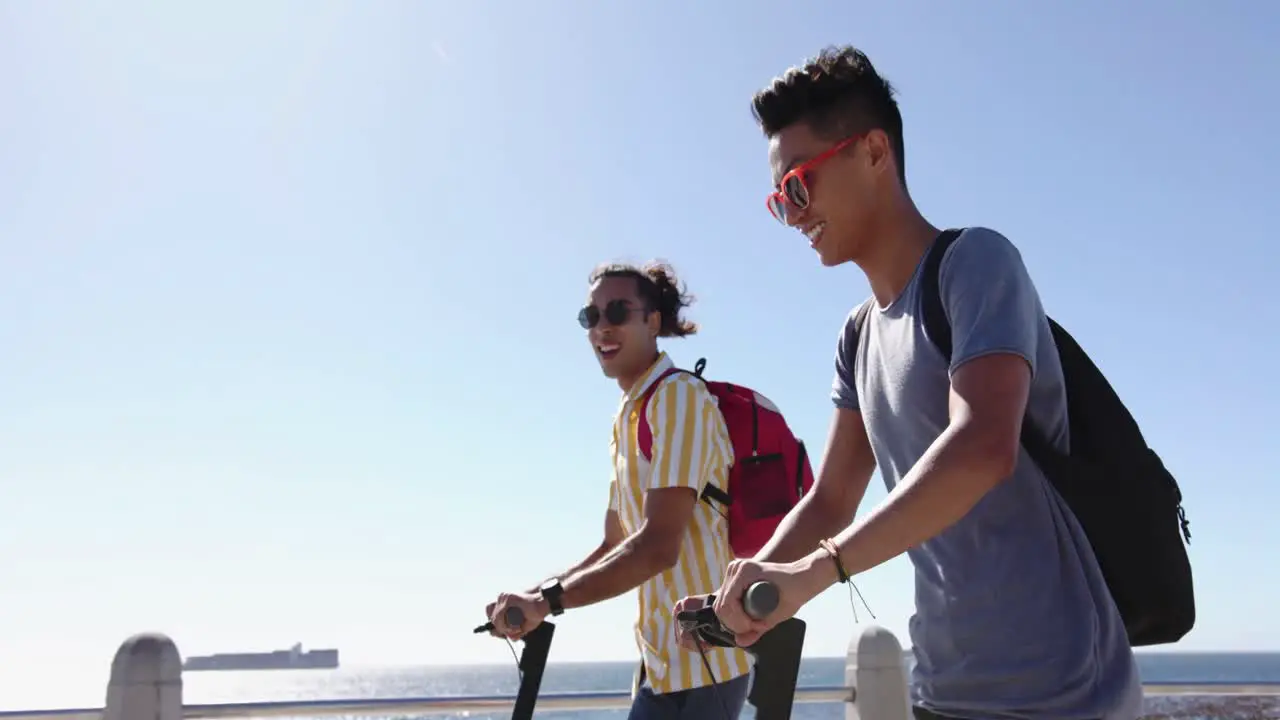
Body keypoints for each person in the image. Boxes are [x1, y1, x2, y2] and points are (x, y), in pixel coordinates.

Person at [676, 46, 1143, 720]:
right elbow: (831, 500)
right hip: (943, 688)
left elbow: (983, 446)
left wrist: (812, 574)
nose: (792, 214)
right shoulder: (857, 336)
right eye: (779, 201)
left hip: (1063, 690)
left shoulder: (974, 263)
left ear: (872, 152)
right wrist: (748, 589)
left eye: (798, 186)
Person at [485, 261, 753, 720]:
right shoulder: (627, 417)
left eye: (617, 312)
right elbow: (614, 544)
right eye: (591, 317)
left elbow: (656, 548)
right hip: (660, 666)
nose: (601, 328)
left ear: (652, 321)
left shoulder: (678, 398)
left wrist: (548, 602)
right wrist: (537, 597)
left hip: (707, 665)